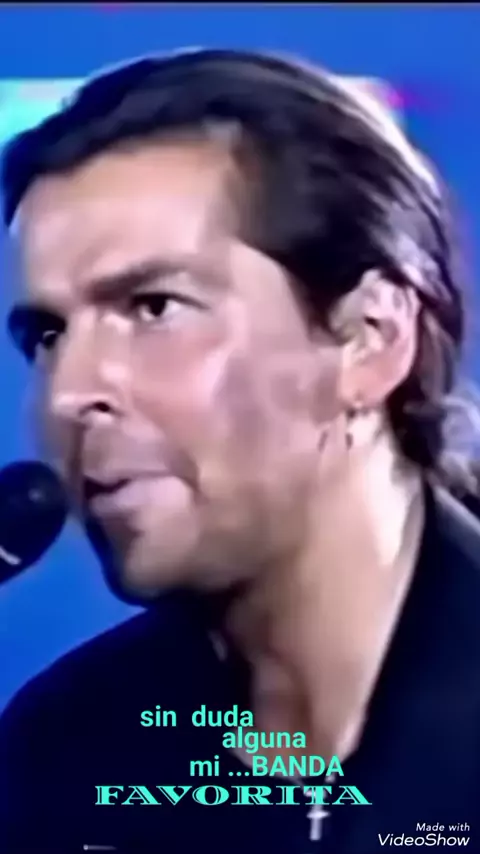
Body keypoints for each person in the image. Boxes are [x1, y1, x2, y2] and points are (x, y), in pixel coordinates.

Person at [0, 48, 479, 854]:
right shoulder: (63, 747)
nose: (67, 393)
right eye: (48, 335)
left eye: (153, 306)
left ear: (370, 338)